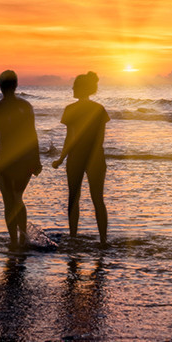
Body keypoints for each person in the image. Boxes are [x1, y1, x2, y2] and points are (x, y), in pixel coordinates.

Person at [0, 70, 42, 250]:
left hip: (4, 159)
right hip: (26, 158)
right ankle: (22, 240)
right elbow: (33, 134)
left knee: (9, 201)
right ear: (16, 85)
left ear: (0, 86)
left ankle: (14, 241)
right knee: (17, 198)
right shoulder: (26, 106)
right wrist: (37, 160)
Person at [52, 71, 109, 246]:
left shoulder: (70, 109)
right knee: (98, 199)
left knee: (73, 198)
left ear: (81, 88)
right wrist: (93, 156)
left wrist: (61, 159)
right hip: (96, 157)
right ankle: (103, 240)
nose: (72, 88)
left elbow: (70, 138)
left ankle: (74, 237)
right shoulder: (99, 109)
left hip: (76, 157)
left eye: (75, 86)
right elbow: (100, 138)